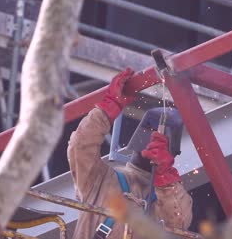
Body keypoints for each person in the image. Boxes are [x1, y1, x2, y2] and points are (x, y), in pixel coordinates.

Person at [67, 68, 193, 238]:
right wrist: (106, 110)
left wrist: (165, 177)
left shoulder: (168, 199)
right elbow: (80, 148)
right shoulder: (101, 180)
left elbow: (179, 224)